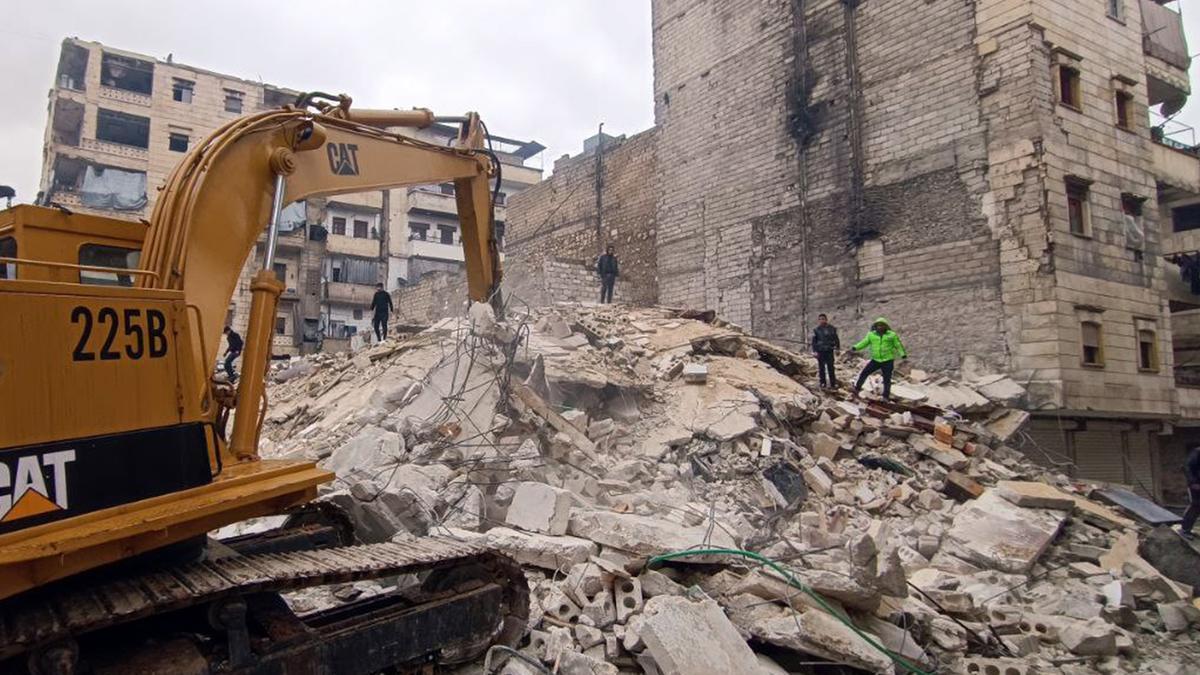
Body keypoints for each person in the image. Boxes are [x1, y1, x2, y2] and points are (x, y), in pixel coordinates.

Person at [850, 317, 907, 401]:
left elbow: (898, 345)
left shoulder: (892, 335)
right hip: (876, 360)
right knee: (864, 373)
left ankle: (885, 397)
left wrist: (903, 354)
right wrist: (855, 347)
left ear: (886, 326)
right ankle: (857, 388)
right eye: (878, 325)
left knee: (887, 379)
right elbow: (864, 342)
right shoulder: (871, 335)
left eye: (882, 325)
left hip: (888, 360)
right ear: (875, 326)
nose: (880, 327)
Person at [811, 313, 841, 389]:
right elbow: (814, 342)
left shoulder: (832, 329)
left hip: (829, 350)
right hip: (820, 351)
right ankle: (822, 383)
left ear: (826, 319)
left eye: (823, 319)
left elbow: (836, 339)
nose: (822, 320)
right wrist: (814, 351)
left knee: (831, 367)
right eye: (820, 319)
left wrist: (837, 348)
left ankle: (833, 383)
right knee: (821, 368)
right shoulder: (816, 330)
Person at [1181, 444, 1200, 540]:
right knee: (1195, 506)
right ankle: (1185, 530)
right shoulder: (1197, 452)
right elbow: (1187, 467)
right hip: (1196, 485)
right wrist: (1192, 482)